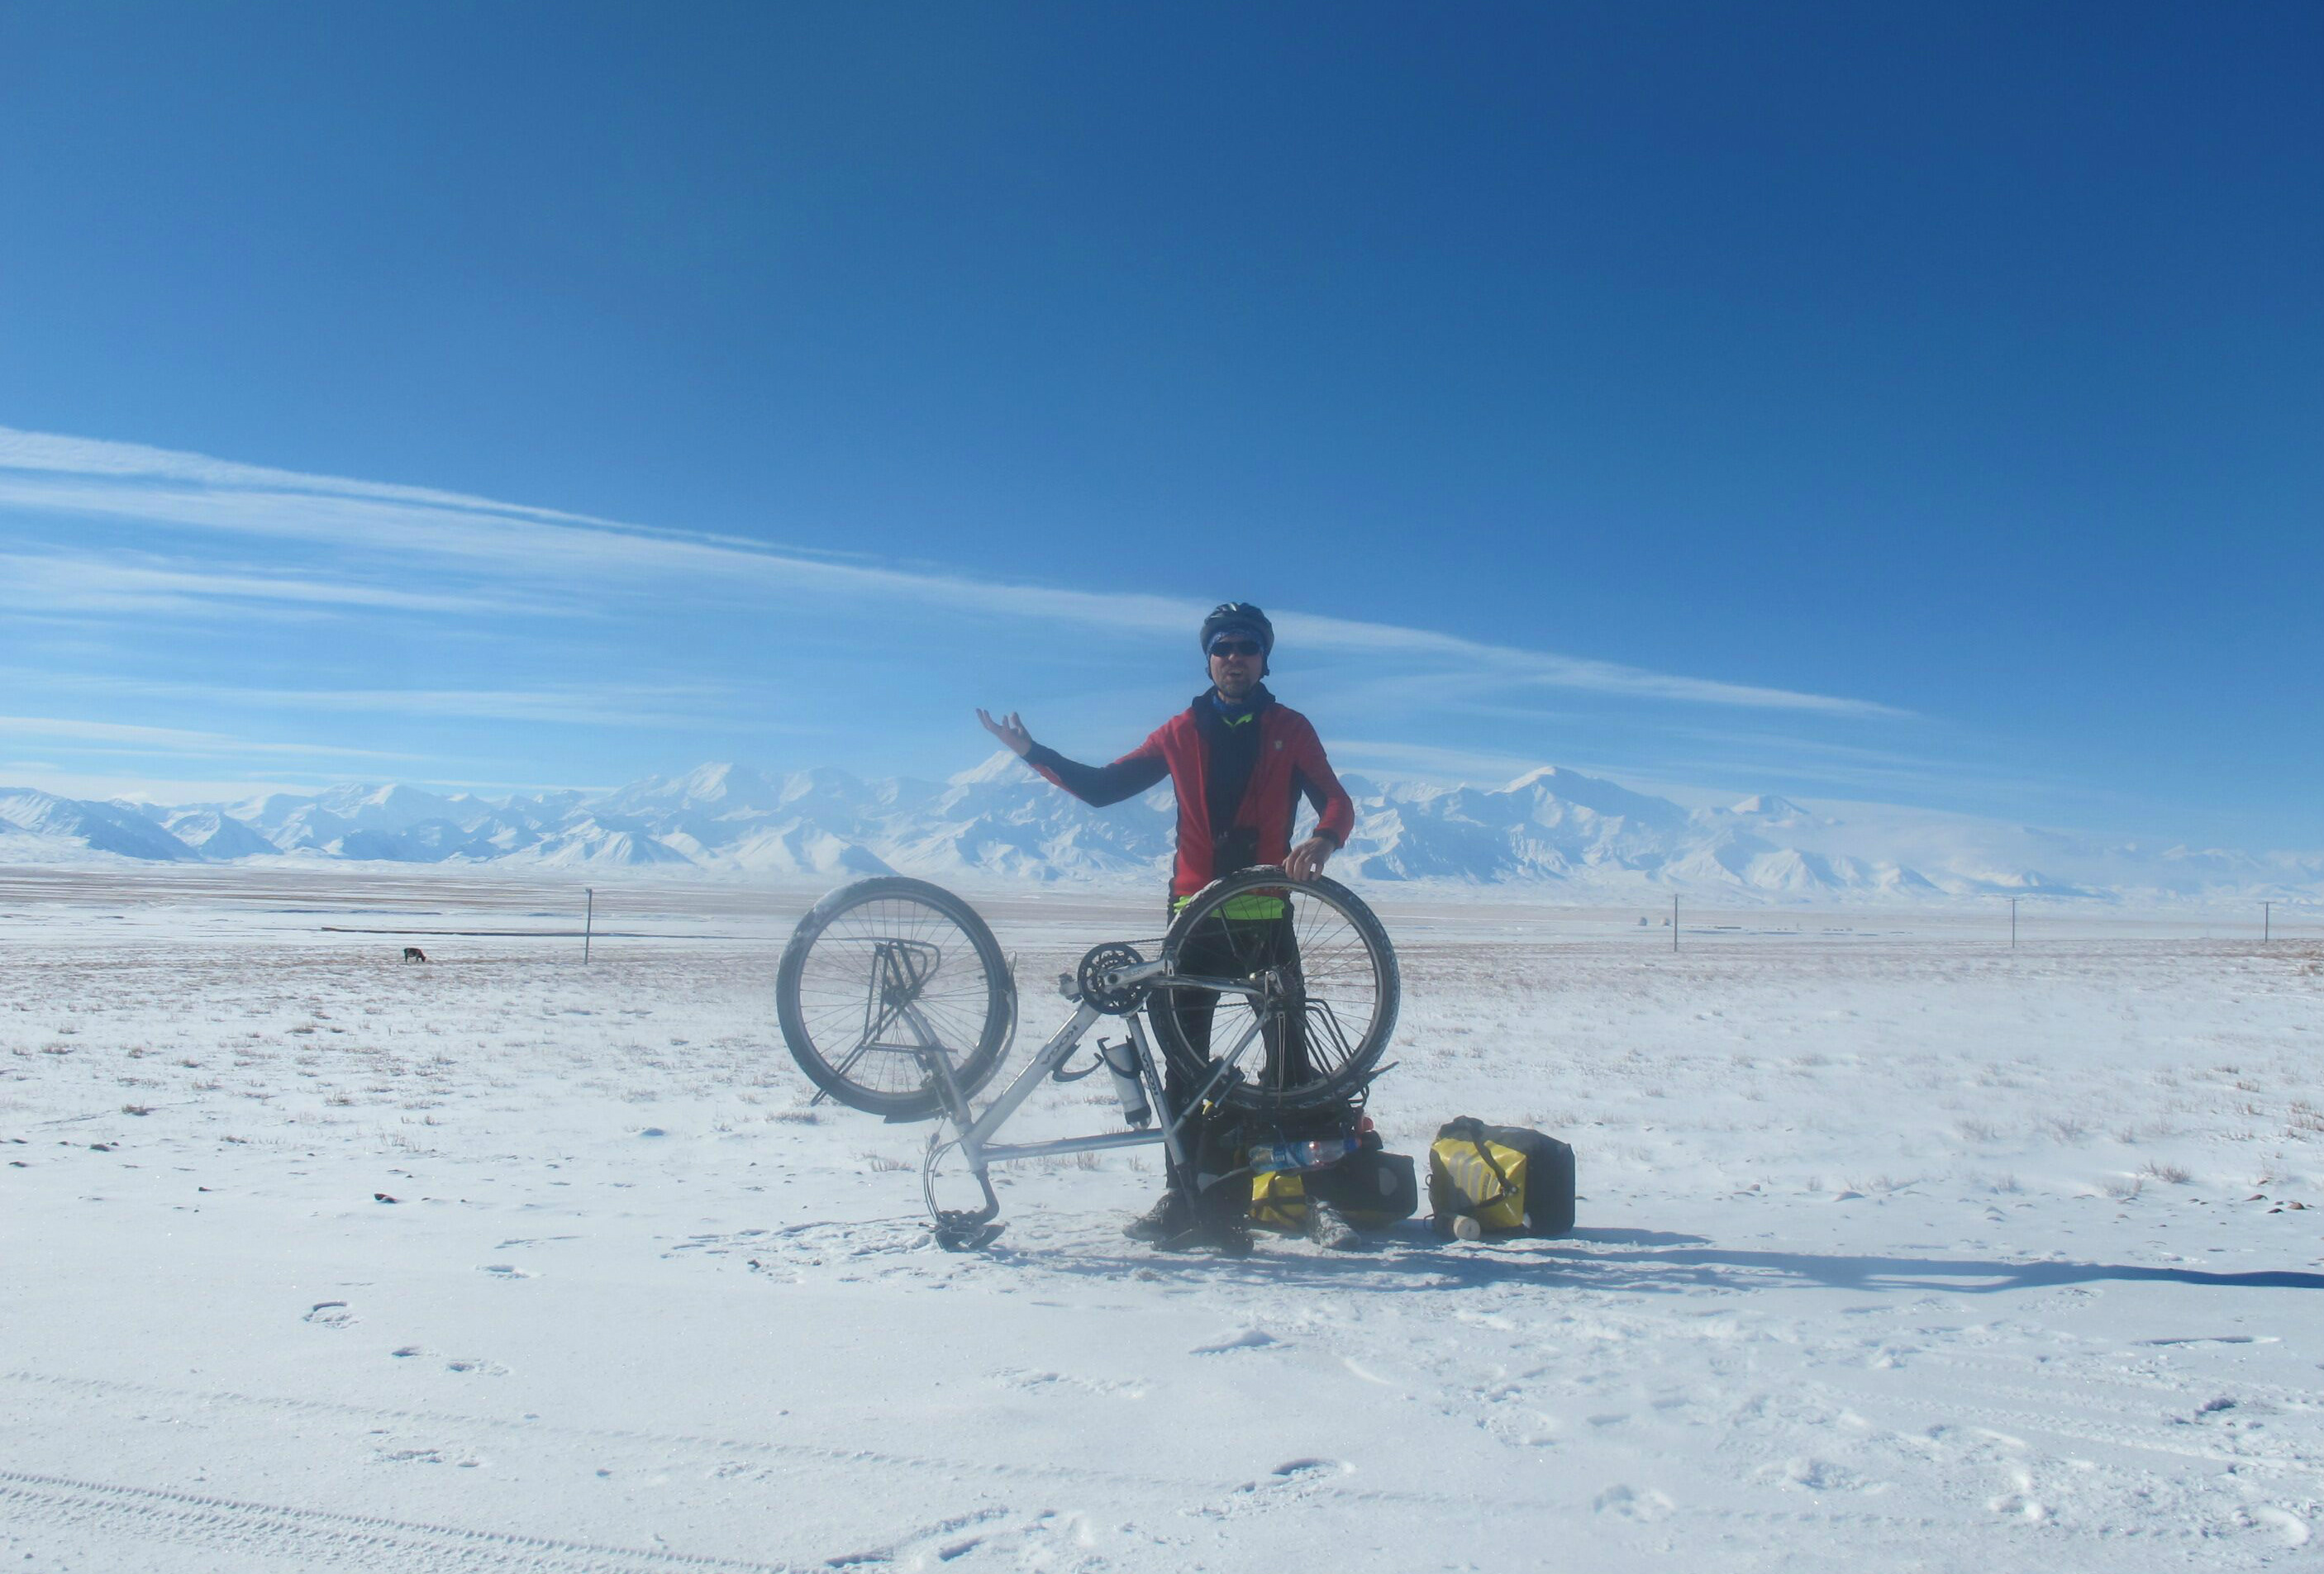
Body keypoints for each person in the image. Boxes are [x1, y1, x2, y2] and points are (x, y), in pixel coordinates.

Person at [978, 602, 1360, 1250]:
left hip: (1268, 920)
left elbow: (1337, 801)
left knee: (1292, 1062)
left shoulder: (1290, 729)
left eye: (1246, 646)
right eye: (1222, 647)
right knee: (1182, 1070)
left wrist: (1324, 839)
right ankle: (1189, 1197)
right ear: (1208, 658)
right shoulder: (1181, 732)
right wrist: (1031, 751)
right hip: (1195, 923)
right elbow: (1103, 788)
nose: (1233, 657)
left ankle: (1313, 1196)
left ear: (1265, 658)